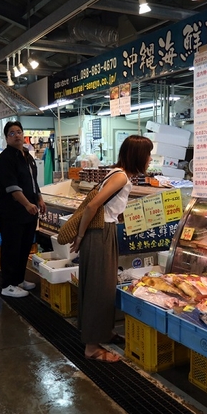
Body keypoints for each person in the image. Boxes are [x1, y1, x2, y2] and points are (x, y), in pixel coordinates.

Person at [70, 135, 153, 363]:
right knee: (100, 289)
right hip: (100, 234)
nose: (150, 159)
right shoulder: (121, 177)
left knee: (102, 286)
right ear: (138, 156)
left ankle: (101, 333)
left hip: (104, 232)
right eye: (148, 154)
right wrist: (79, 236)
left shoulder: (118, 173)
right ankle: (91, 347)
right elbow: (93, 206)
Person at [0, 121, 45, 298]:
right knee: (11, 247)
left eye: (19, 132)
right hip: (11, 211)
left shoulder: (27, 156)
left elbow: (32, 182)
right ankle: (7, 284)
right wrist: (27, 204)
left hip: (28, 211)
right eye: (11, 133)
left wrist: (39, 198)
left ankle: (18, 279)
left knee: (24, 247)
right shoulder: (5, 158)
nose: (16, 135)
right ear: (6, 137)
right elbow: (11, 187)